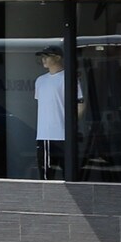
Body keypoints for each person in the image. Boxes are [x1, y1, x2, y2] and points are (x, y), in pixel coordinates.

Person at [33, 46, 84, 179]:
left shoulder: (69, 78)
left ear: (57, 57)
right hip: (44, 135)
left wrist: (71, 125)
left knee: (70, 174)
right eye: (42, 56)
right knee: (45, 175)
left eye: (47, 56)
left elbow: (80, 104)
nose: (43, 59)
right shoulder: (40, 81)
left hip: (63, 135)